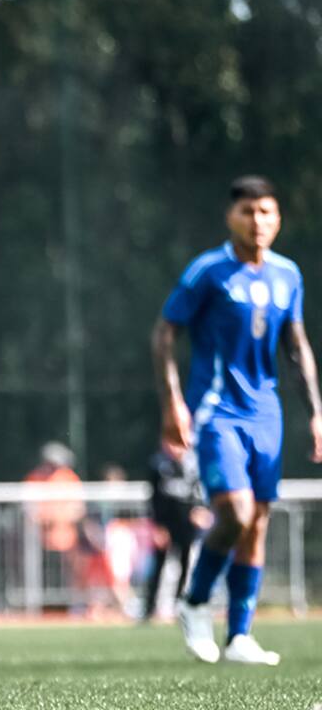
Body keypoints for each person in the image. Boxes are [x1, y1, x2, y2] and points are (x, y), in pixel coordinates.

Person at [154, 176, 322, 666]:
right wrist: (171, 403)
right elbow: (165, 334)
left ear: (278, 217)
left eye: (267, 212)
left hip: (265, 413)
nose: (259, 222)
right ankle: (195, 600)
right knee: (236, 511)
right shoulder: (208, 271)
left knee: (258, 524)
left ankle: (240, 636)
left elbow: (296, 345)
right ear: (231, 217)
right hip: (216, 411)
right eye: (249, 212)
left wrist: (316, 412)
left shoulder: (288, 275)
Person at [142, 441, 209, 621]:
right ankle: (149, 608)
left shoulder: (195, 465)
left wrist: (202, 509)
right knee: (158, 566)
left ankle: (180, 607)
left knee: (186, 565)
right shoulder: (159, 466)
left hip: (187, 525)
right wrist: (157, 526)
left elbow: (202, 492)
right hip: (166, 525)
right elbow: (154, 499)